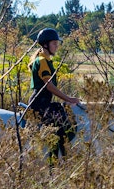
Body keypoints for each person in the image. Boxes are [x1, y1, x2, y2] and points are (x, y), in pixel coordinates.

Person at [27, 28, 80, 161]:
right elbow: (48, 85)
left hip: (43, 101)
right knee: (62, 129)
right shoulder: (42, 61)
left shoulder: (45, 60)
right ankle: (54, 164)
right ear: (45, 44)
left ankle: (60, 159)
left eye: (57, 43)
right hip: (40, 103)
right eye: (54, 43)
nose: (57, 46)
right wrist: (68, 98)